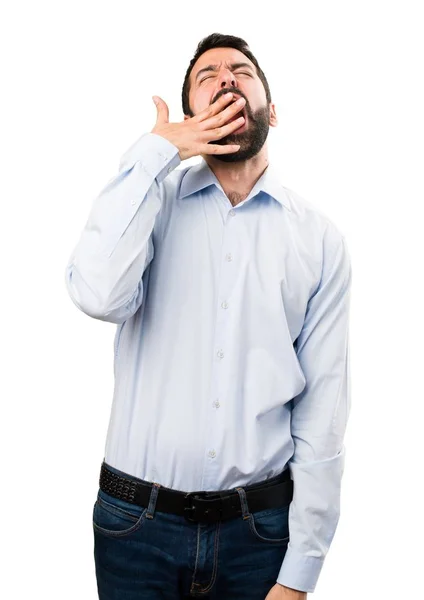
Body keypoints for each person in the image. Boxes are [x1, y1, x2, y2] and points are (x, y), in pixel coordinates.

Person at [64, 32, 352, 600]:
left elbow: (324, 410)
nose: (225, 78)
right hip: (135, 528)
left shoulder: (318, 240)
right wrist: (156, 152)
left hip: (259, 535)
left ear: (273, 108)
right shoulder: (149, 202)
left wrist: (301, 571)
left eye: (241, 72)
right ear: (191, 118)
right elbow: (96, 292)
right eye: (207, 76)